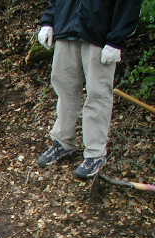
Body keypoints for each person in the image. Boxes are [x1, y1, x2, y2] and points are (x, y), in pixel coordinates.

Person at [36, 0, 143, 179]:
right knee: (64, 89)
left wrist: (116, 40)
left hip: (99, 36)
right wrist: (48, 21)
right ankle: (63, 142)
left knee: (98, 94)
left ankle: (95, 154)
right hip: (67, 29)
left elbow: (130, 4)